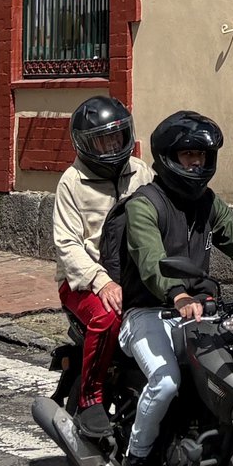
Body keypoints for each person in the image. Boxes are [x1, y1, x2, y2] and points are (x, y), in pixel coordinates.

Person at [112, 110, 233, 466]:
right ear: (168, 157)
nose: (196, 163)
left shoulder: (208, 204)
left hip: (198, 312)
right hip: (148, 313)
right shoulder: (145, 204)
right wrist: (177, 294)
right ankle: (135, 462)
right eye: (188, 154)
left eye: (202, 156)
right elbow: (151, 260)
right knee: (166, 381)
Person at [51, 95, 147, 436]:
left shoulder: (140, 171)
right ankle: (91, 396)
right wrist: (100, 281)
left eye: (117, 136)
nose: (112, 146)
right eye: (102, 140)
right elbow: (67, 243)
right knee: (108, 316)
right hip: (83, 281)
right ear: (85, 144)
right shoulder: (72, 182)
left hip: (133, 276)